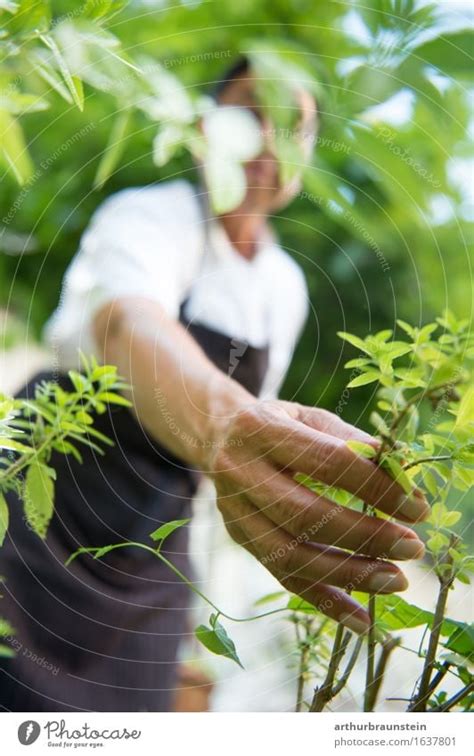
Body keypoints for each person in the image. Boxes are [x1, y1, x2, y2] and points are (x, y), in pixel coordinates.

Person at [0, 58, 428, 712]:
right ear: (208, 126)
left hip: (152, 535)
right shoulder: (150, 214)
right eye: (254, 112)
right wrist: (227, 424)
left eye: (296, 127)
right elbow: (127, 322)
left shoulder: (284, 285)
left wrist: (195, 636)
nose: (273, 138)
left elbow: (218, 472)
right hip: (50, 501)